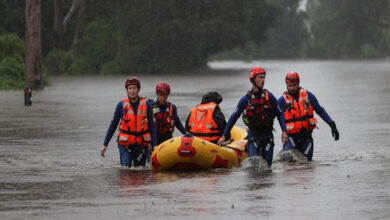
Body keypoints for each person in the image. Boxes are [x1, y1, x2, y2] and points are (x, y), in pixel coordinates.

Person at [217, 66, 288, 167]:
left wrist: (284, 131)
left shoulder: (270, 97)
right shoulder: (245, 100)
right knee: (254, 166)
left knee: (267, 168)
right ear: (253, 79)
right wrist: (224, 135)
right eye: (260, 77)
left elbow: (280, 113)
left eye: (264, 77)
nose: (263, 80)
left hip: (267, 137)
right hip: (253, 136)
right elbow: (233, 117)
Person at [278, 71, 339, 161]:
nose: (292, 88)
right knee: (288, 158)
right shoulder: (281, 101)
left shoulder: (308, 96)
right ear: (286, 85)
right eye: (290, 86)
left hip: (306, 138)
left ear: (298, 84)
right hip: (291, 137)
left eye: (294, 85)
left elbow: (320, 111)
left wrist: (332, 124)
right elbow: (272, 115)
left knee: (306, 164)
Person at [100, 76, 157, 167]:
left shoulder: (147, 105)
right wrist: (105, 144)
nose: (132, 90)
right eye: (130, 88)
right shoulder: (121, 105)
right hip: (125, 143)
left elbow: (152, 125)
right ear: (127, 90)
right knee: (126, 168)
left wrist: (155, 144)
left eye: (134, 88)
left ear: (138, 89)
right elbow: (113, 124)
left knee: (140, 171)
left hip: (141, 143)